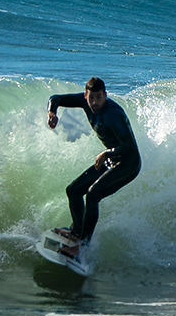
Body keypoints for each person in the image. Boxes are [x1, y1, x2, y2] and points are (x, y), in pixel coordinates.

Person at [46, 77, 141, 258]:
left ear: (105, 95)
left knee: (92, 194)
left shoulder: (114, 115)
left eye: (99, 97)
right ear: (85, 95)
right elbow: (56, 98)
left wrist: (107, 153)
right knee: (73, 190)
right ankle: (76, 232)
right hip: (112, 160)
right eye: (91, 98)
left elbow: (129, 146)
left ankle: (82, 245)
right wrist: (52, 112)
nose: (95, 102)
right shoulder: (84, 101)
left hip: (129, 163)